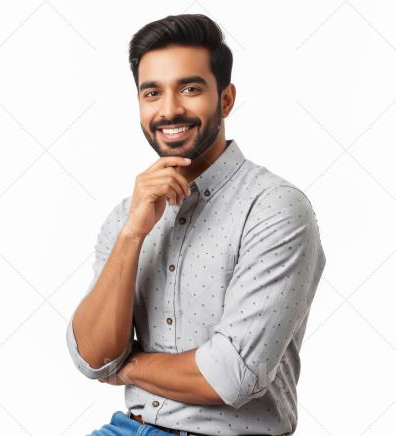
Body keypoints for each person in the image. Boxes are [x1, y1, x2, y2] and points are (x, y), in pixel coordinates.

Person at [66, 13, 326, 436]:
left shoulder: (275, 209)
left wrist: (126, 366)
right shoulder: (127, 215)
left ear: (225, 100)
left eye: (190, 88)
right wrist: (133, 233)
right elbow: (92, 358)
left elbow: (233, 374)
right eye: (152, 92)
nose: (169, 110)